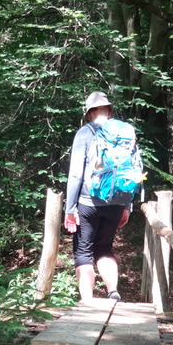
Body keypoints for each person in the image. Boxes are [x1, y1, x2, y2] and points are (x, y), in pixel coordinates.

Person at [63, 91, 131, 303]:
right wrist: (126, 205)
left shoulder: (85, 133)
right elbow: (131, 171)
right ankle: (113, 292)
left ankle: (88, 301)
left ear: (89, 113)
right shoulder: (124, 132)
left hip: (88, 202)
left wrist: (69, 209)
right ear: (109, 111)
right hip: (117, 201)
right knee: (104, 248)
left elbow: (76, 174)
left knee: (83, 252)